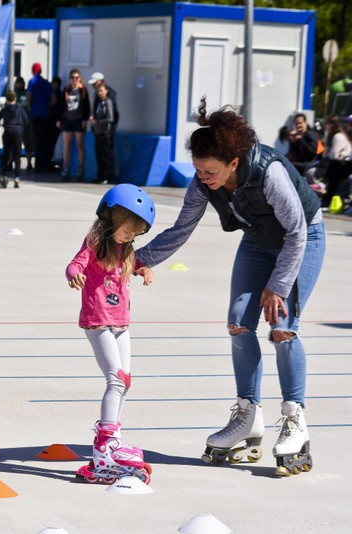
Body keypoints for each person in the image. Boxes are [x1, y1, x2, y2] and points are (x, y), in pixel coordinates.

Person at [135, 97, 325, 477]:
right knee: (239, 322)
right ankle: (248, 415)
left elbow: (297, 232)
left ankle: (295, 421)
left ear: (234, 163)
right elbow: (180, 229)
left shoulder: (268, 173)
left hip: (302, 239)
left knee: (283, 328)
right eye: (198, 170)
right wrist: (137, 259)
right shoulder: (203, 183)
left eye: (210, 171)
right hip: (257, 241)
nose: (203, 178)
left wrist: (278, 285)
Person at [66, 184, 156, 485]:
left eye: (135, 234)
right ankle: (105, 442)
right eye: (128, 231)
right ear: (111, 219)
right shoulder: (95, 242)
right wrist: (74, 274)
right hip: (98, 320)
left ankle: (114, 435)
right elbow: (75, 263)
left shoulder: (124, 249)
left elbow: (131, 264)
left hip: (121, 323)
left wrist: (143, 270)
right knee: (115, 379)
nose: (131, 237)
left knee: (125, 381)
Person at [58, 69, 90, 181]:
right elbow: (61, 105)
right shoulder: (66, 90)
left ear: (79, 78)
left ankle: (80, 170)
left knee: (80, 145)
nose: (74, 80)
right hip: (67, 120)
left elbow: (87, 106)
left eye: (76, 78)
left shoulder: (83, 90)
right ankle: (66, 169)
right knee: (67, 145)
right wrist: (59, 119)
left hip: (78, 119)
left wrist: (85, 119)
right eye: (72, 77)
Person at [0, 91, 27, 189]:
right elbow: (26, 121)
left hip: (8, 131)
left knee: (6, 154)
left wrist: (1, 124)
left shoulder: (4, 109)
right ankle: (17, 177)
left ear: (7, 99)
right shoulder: (20, 109)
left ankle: (4, 175)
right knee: (17, 156)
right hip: (17, 132)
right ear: (15, 99)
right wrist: (21, 129)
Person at [26, 63, 54, 173]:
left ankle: (38, 166)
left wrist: (30, 108)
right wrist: (46, 106)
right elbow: (53, 100)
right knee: (44, 141)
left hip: (35, 115)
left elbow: (28, 97)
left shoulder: (32, 82)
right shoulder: (47, 83)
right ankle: (45, 164)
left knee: (36, 141)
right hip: (45, 115)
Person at [91, 84, 116, 185]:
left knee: (106, 155)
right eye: (98, 91)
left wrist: (98, 122)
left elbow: (110, 118)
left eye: (102, 91)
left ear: (106, 91)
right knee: (99, 154)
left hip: (105, 132)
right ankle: (100, 175)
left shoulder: (108, 102)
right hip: (98, 132)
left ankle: (107, 176)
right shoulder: (99, 103)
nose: (100, 93)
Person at [13, 76, 33, 173]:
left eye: (21, 83)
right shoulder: (13, 94)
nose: (19, 85)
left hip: (26, 123)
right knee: (15, 145)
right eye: (18, 83)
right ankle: (11, 163)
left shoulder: (26, 94)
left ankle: (29, 163)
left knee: (28, 144)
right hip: (16, 124)